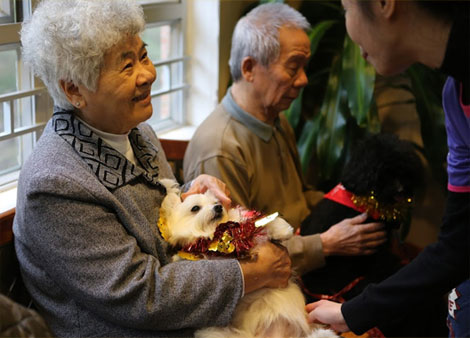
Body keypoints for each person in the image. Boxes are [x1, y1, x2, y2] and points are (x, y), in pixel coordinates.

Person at [13, 1, 292, 337]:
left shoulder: (136, 132)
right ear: (73, 90)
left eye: (143, 55)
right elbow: (140, 294)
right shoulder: (56, 185)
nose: (148, 74)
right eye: (126, 66)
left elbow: (157, 220)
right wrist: (249, 274)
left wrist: (190, 191)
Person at [183, 2, 386, 275]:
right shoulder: (220, 149)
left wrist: (354, 203)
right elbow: (236, 257)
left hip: (300, 257)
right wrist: (326, 244)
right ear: (249, 69)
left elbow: (297, 200)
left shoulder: (275, 118)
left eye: (305, 67)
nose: (303, 80)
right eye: (293, 67)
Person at [306, 0, 470, 336]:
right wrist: (352, 313)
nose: (348, 28)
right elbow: (460, 243)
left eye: (346, 7)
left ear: (384, 4)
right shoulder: (456, 96)